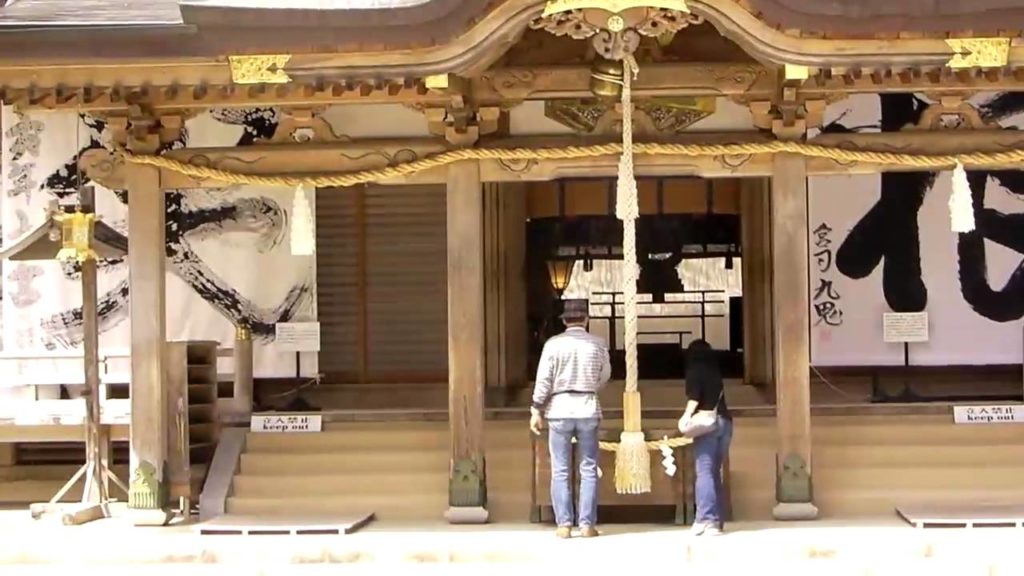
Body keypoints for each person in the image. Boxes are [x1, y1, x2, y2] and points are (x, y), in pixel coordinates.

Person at [530, 298, 611, 539]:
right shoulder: (598, 344)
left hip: (559, 408)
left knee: (561, 469)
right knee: (588, 469)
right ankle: (587, 525)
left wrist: (536, 408)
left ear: (564, 321)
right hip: (587, 407)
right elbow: (605, 374)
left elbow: (544, 379)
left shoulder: (553, 345)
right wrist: (590, 386)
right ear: (586, 320)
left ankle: (564, 524)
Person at [679, 338, 732, 537]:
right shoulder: (715, 372)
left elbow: (695, 396)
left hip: (706, 425)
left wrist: (685, 417)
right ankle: (717, 521)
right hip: (725, 423)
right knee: (714, 472)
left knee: (704, 471)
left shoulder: (694, 371)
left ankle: (705, 519)